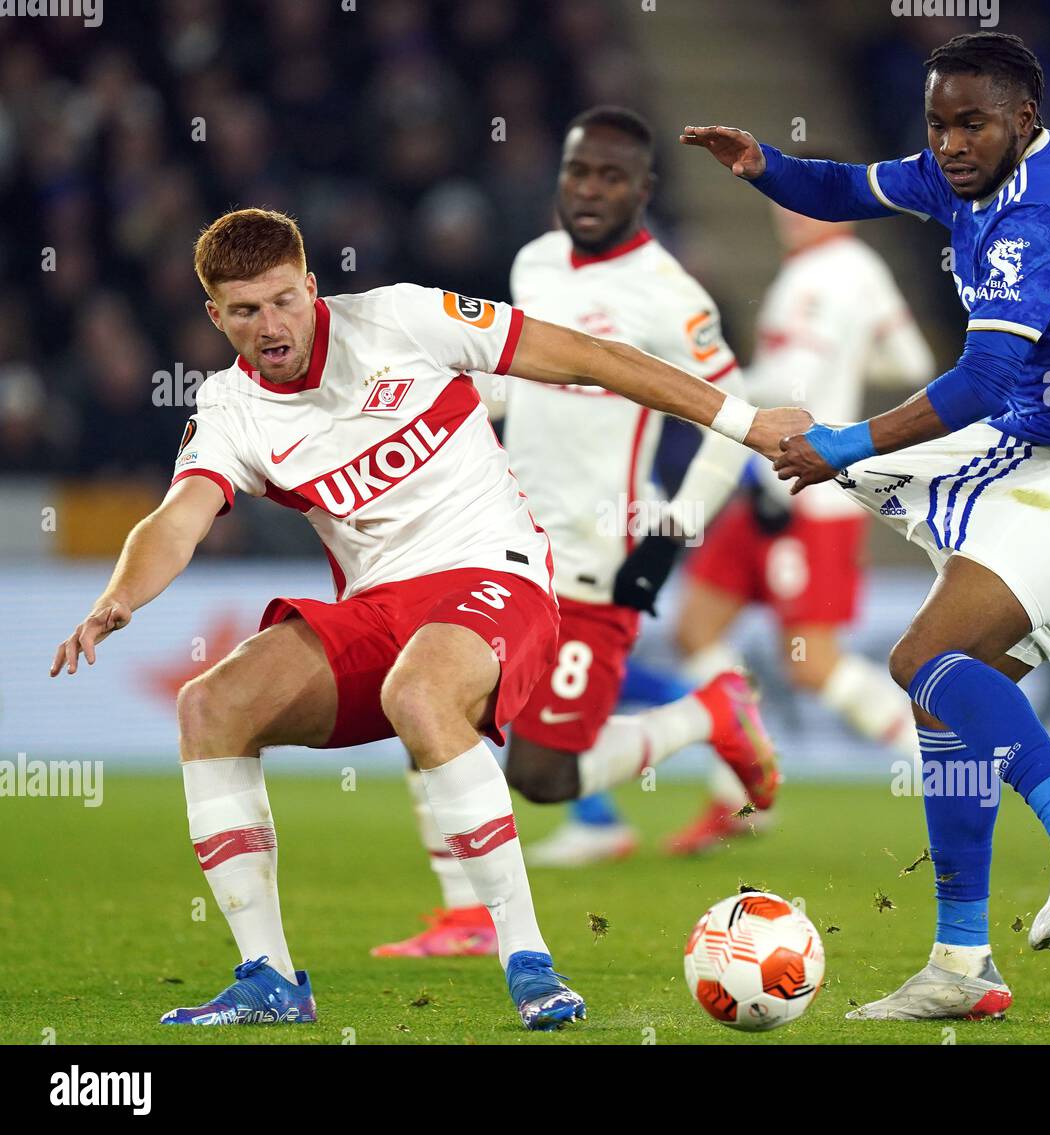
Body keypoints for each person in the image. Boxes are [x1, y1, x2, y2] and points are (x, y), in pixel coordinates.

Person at [48, 206, 804, 1030]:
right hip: (378, 605)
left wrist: (748, 423)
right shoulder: (231, 407)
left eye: (281, 302)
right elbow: (179, 516)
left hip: (495, 575)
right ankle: (268, 976)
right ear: (214, 316)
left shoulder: (402, 318)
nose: (269, 326)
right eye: (244, 311)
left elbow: (590, 356)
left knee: (421, 690)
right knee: (209, 705)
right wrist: (119, 595)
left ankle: (529, 960)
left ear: (311, 286)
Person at [682, 30, 1050, 1020]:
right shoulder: (969, 171)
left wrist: (847, 444)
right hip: (1049, 447)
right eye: (937, 124)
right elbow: (849, 191)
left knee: (920, 654)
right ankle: (960, 965)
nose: (948, 144)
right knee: (945, 695)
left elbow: (983, 380)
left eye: (970, 124)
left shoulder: (1028, 224)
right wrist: (764, 167)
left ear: (1023, 122)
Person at [371, 106, 772, 957]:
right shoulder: (534, 261)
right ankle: (466, 914)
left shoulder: (671, 296)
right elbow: (522, 381)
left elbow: (732, 421)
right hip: (501, 541)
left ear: (644, 190)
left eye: (610, 177)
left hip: (599, 559)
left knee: (544, 777)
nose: (589, 191)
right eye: (577, 172)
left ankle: (710, 712)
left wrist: (669, 532)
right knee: (426, 696)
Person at [667, 169, 936, 855]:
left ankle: (940, 764)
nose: (790, 215)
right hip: (771, 483)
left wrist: (703, 389)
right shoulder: (857, 269)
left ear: (836, 209)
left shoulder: (821, 277)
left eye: (804, 203)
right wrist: (849, 380)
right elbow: (910, 357)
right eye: (785, 202)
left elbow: (795, 384)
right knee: (697, 627)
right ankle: (744, 795)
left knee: (811, 662)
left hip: (802, 491)